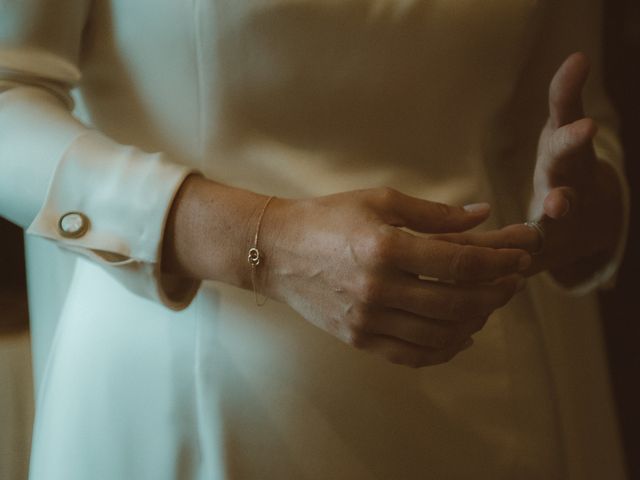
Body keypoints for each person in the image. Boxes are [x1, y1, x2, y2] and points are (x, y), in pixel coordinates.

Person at [0, 0, 629, 478]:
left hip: (480, 391)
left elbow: (566, 106)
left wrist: (579, 209)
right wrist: (262, 243)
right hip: (189, 395)